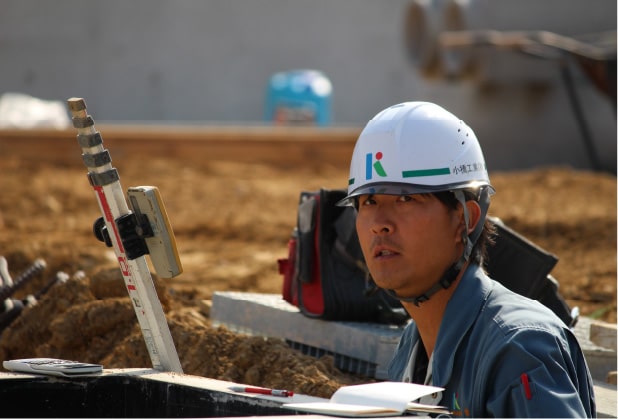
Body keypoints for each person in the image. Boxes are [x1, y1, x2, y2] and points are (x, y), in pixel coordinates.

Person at [337, 101, 596, 417]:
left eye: (406, 198)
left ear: (465, 219)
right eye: (367, 201)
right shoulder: (413, 346)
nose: (379, 222)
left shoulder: (519, 350)